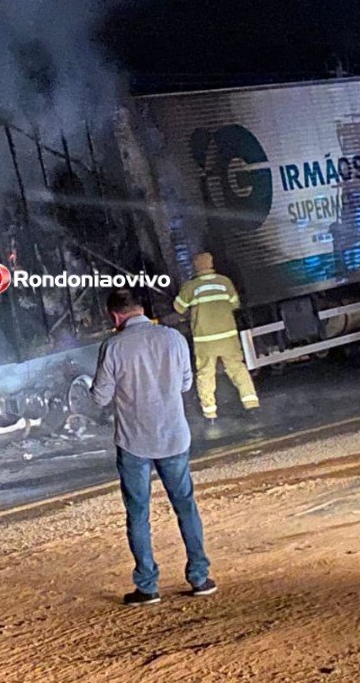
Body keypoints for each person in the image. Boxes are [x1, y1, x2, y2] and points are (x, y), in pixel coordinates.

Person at [90, 289, 216, 606]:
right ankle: (199, 578)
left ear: (115, 316)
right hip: (174, 436)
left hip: (134, 442)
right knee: (185, 506)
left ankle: (147, 586)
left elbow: (100, 397)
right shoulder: (173, 338)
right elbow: (186, 384)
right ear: (140, 309)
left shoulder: (113, 346)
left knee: (138, 513)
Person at [174, 252, 259, 419]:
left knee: (205, 374)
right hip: (228, 337)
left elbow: (179, 307)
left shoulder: (191, 286)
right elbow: (234, 304)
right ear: (211, 263)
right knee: (237, 368)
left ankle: (210, 413)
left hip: (205, 341)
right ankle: (251, 404)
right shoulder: (224, 282)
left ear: (196, 266)